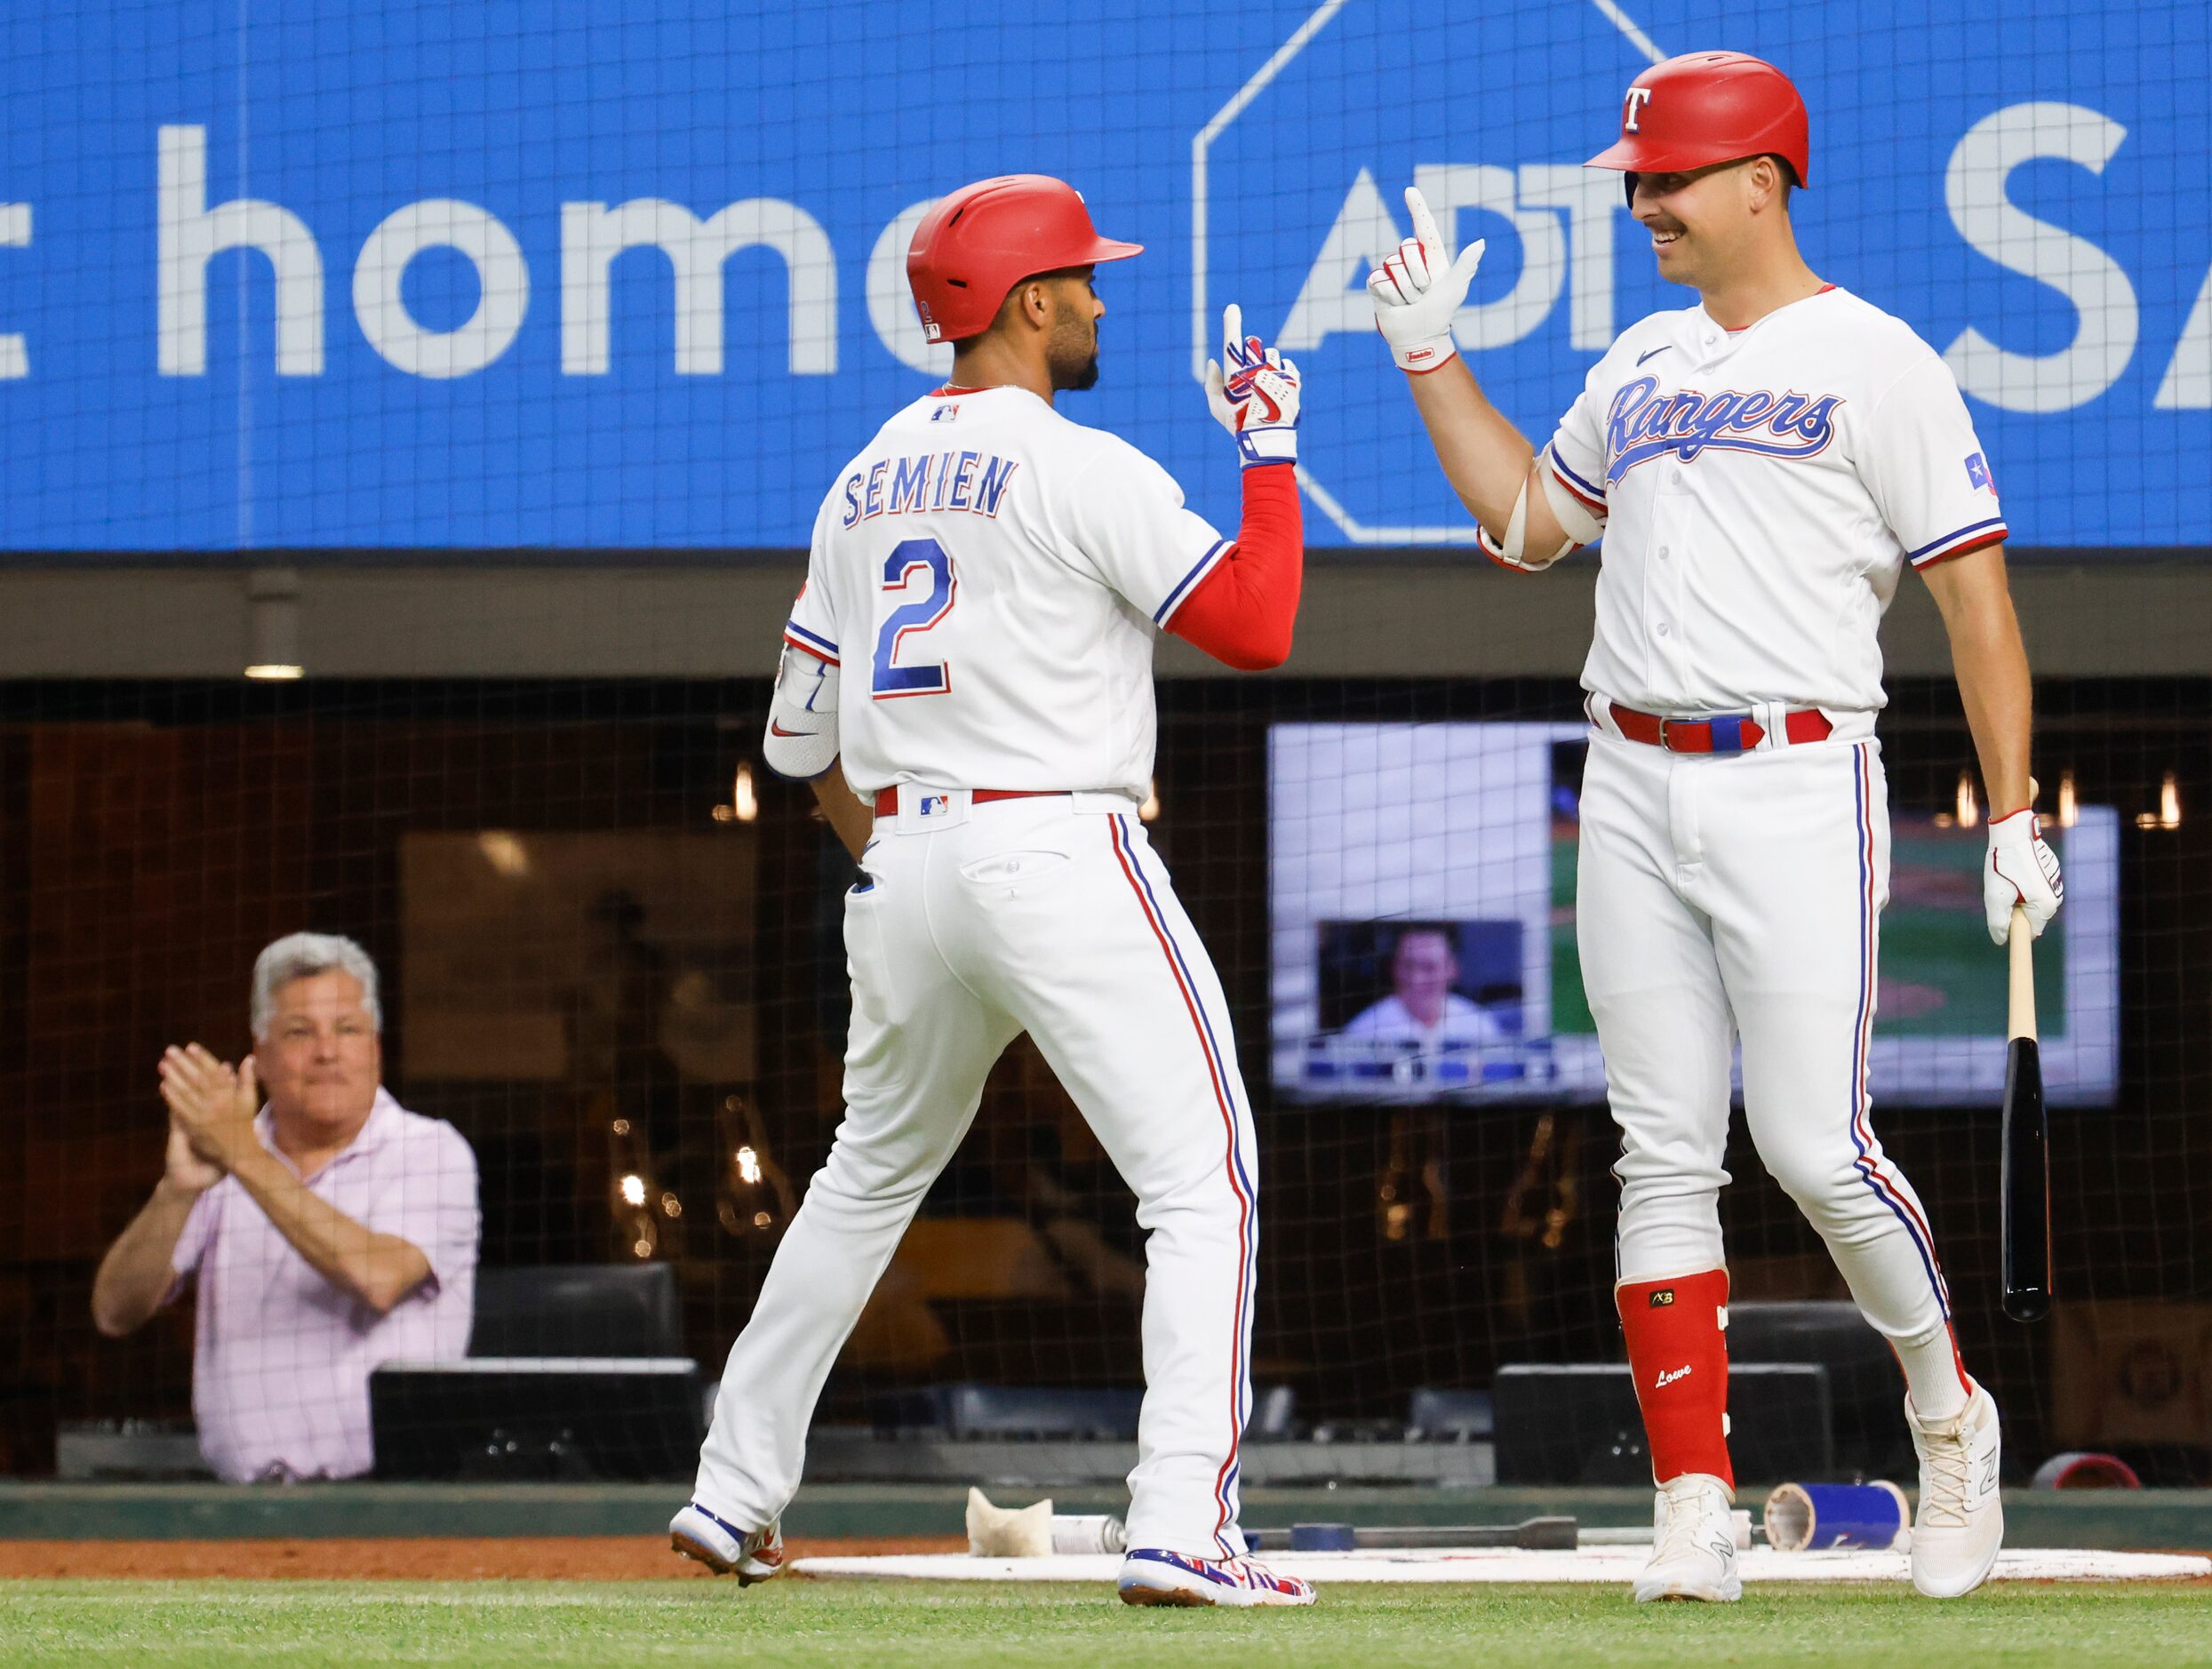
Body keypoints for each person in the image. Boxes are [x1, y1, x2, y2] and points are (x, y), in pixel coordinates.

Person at [1369, 53, 2062, 1602]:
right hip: (1623, 776)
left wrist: (2009, 810)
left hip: (1797, 775)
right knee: (1657, 1156)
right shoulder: (1638, 360)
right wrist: (1426, 358)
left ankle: (1947, 1422)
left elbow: (1973, 602)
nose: (1641, 204)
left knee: (1813, 1147)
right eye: (1634, 180)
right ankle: (1692, 1501)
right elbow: (1519, 532)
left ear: (1760, 179)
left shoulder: (1879, 360)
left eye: (1665, 178)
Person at [669, 173, 1315, 1607]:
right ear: (1026, 303)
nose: (1097, 298)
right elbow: (1258, 625)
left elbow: (793, 744)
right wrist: (1266, 450)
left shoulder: (860, 477)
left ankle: (730, 1490)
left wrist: (906, 855)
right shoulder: (1078, 464)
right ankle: (1178, 1524)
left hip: (903, 861)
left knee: (860, 1175)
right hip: (1054, 845)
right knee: (1201, 1186)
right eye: (1080, 278)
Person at [91, 933, 480, 1482]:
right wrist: (179, 1190)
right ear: (262, 1055)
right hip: (242, 1507)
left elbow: (377, 1277)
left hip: (389, 1505)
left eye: (348, 1030)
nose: (327, 1052)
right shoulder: (226, 1156)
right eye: (301, 1032)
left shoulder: (431, 1151)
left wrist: (242, 1154)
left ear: (376, 1049)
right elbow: (115, 1312)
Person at [1341, 925, 1509, 1048]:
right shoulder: (1363, 1031)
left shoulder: (1480, 1026)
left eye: (1429, 968)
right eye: (1408, 966)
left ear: (1452, 970)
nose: (1416, 979)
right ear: (1393, 968)